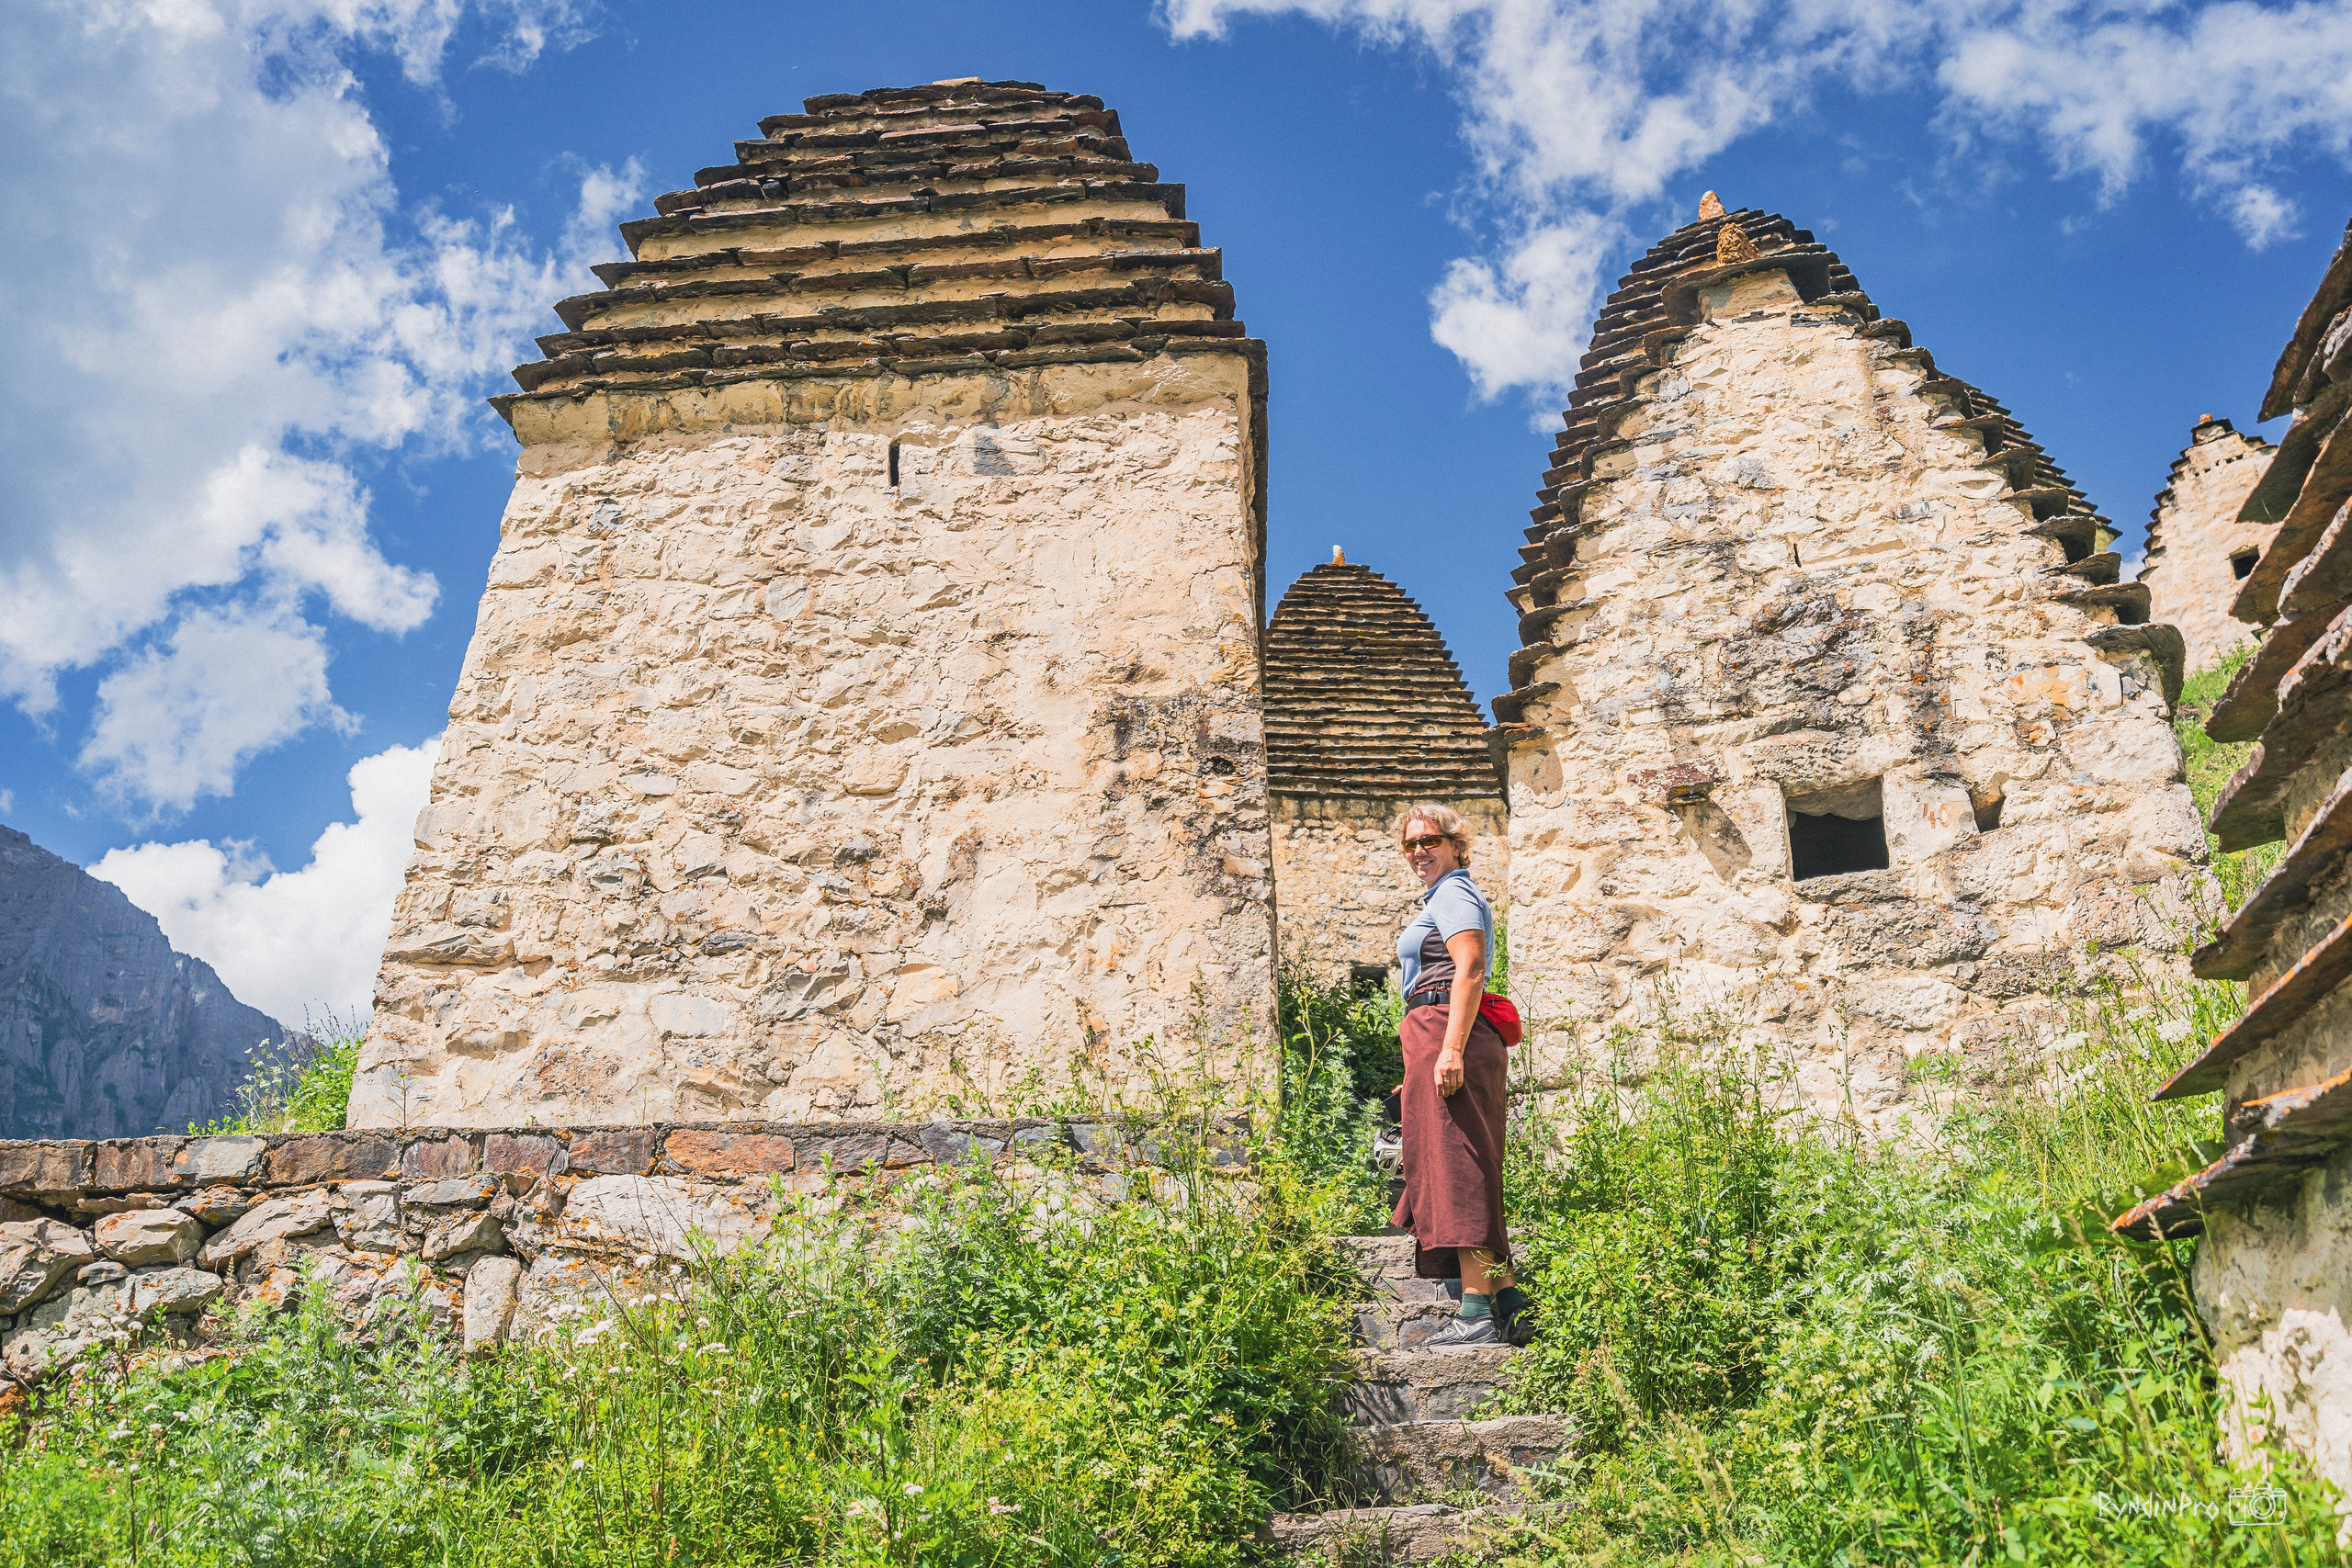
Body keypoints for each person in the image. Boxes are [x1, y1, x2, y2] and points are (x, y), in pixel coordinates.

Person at [1390, 803, 1530, 1348]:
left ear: (1454, 844)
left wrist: (1448, 1051)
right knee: (1462, 1160)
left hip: (1451, 1029)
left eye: (1429, 841)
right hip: (1439, 1033)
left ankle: (1474, 1313)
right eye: (1410, 844)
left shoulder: (1453, 892)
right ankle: (1509, 1303)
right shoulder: (1442, 894)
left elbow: (1468, 967)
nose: (1419, 852)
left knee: (1459, 1167)